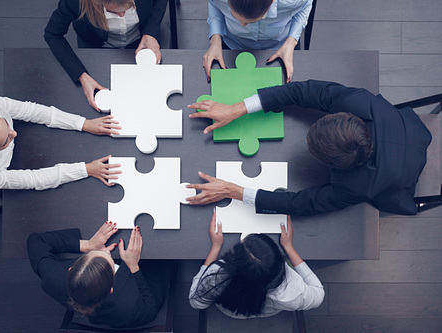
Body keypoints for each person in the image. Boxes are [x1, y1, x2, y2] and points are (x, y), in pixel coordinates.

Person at [186, 80, 432, 216]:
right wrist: (237, 108)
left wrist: (232, 190)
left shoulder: (357, 186)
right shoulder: (358, 102)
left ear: (335, 168)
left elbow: (299, 204)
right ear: (343, 116)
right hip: (407, 129)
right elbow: (299, 91)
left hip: (402, 174)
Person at [0, 95, 122, 192]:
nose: (15, 133)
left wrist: (83, 123)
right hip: (3, 175)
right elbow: (34, 179)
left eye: (5, 123)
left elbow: (31, 111)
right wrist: (86, 169)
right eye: (6, 140)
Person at [27, 222, 171, 328]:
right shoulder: (129, 305)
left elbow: (35, 241)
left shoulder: (53, 279)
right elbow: (150, 309)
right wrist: (132, 266)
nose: (106, 251)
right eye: (108, 258)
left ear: (72, 270)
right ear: (111, 288)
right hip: (128, 310)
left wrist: (87, 245)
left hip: (101, 315)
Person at [189, 212, 324, 317]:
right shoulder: (291, 293)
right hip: (266, 310)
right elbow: (318, 293)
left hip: (235, 311)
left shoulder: (218, 275)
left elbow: (195, 302)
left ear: (233, 261)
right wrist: (289, 247)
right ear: (280, 263)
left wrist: (216, 247)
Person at [45, 0, 168, 110]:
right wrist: (82, 76)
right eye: (114, 12)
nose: (121, 16)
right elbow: (52, 34)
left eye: (128, 8)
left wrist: (150, 32)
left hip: (141, 40)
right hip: (97, 48)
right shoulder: (74, 2)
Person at [203, 0, 312, 82]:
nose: (242, 25)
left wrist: (291, 41)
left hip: (280, 46)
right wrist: (215, 40)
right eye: (234, 15)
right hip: (231, 43)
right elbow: (214, 3)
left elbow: (306, 5)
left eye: (249, 21)